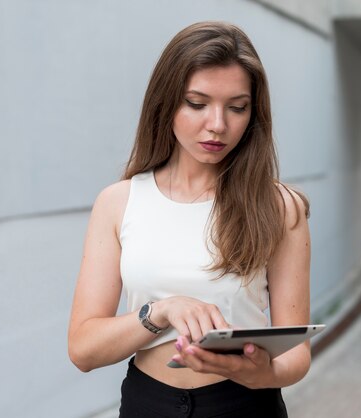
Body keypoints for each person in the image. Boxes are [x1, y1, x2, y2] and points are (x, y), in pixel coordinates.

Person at [67, 21, 311, 417]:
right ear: (166, 103)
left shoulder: (280, 207)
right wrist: (159, 312)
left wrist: (260, 373)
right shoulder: (119, 202)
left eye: (237, 107)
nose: (218, 124)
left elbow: (297, 354)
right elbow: (82, 349)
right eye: (197, 103)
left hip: (244, 404)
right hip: (147, 403)